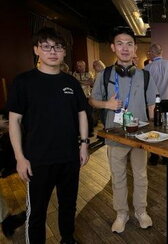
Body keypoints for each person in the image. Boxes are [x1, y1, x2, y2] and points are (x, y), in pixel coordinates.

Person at [7, 27, 89, 244]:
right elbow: (14, 121)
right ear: (37, 50)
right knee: (37, 212)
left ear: (63, 53)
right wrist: (19, 158)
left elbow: (81, 114)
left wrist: (84, 145)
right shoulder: (23, 82)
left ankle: (68, 239)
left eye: (58, 47)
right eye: (46, 46)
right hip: (37, 160)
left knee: (68, 205)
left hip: (69, 157)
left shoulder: (71, 83)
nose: (53, 51)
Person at [89, 28, 156, 233]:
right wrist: (106, 105)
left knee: (141, 175)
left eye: (129, 44)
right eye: (120, 43)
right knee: (117, 176)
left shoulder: (145, 76)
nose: (125, 48)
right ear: (113, 47)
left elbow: (152, 105)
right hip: (115, 134)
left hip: (140, 135)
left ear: (135, 48)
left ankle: (141, 211)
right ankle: (121, 213)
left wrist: (154, 132)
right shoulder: (105, 74)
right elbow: (92, 100)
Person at [145, 43, 168, 165]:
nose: (149, 54)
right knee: (167, 129)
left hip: (154, 103)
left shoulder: (147, 68)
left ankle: (154, 156)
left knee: (154, 128)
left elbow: (145, 87)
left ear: (152, 53)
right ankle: (166, 156)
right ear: (161, 52)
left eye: (149, 52)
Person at [73, 60, 95, 136]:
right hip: (77, 98)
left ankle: (90, 131)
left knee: (89, 115)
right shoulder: (74, 74)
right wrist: (85, 82)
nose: (79, 68)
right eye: (78, 66)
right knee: (79, 115)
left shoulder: (89, 74)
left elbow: (91, 82)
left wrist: (79, 82)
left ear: (84, 66)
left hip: (87, 97)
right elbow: (73, 84)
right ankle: (80, 131)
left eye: (81, 66)